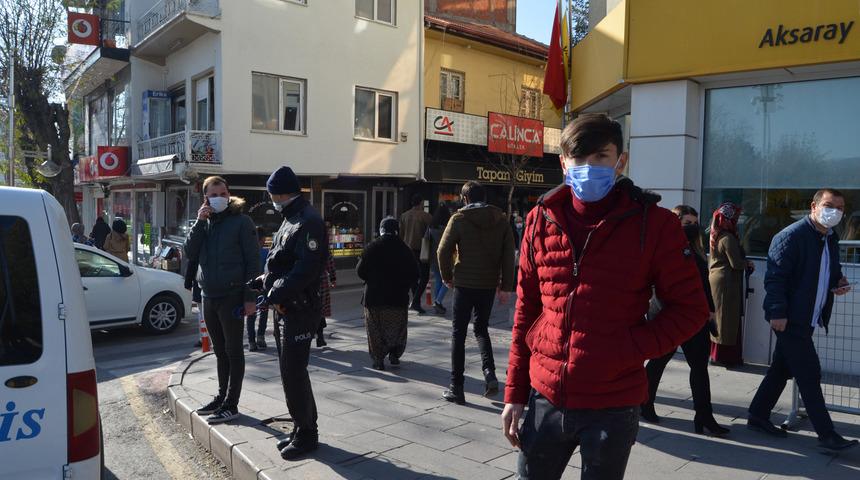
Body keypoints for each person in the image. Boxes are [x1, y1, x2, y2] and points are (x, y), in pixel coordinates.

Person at [501, 114, 708, 480]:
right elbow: (526, 310)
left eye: (600, 156)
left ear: (620, 161)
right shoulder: (539, 219)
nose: (588, 167)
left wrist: (629, 348)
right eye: (578, 159)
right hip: (545, 394)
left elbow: (691, 310)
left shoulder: (655, 224)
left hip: (613, 403)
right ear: (563, 162)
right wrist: (514, 392)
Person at [748, 189, 858, 451]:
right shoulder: (790, 236)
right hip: (791, 318)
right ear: (814, 206)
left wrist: (838, 283)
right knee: (809, 372)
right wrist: (777, 312)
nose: (836, 212)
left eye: (840, 208)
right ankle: (827, 435)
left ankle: (757, 414)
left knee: (782, 368)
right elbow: (775, 278)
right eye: (829, 205)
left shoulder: (829, 237)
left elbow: (830, 271)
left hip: (808, 316)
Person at [249, 166, 327, 460]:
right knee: (290, 372)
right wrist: (264, 281)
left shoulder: (308, 221)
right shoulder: (291, 218)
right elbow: (282, 262)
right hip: (286, 307)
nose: (271, 200)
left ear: (279, 193)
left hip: (299, 308)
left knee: (293, 372)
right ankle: (302, 427)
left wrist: (274, 292)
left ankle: (308, 435)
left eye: (271, 195)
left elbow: (305, 270)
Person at [641, 205, 729, 436]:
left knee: (699, 367)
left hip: (694, 318)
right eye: (686, 223)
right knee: (659, 361)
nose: (692, 227)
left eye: (694, 223)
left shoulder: (696, 251)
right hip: (668, 316)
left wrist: (709, 310)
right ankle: (644, 404)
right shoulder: (664, 248)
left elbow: (703, 285)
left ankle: (704, 416)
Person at [184, 176, 260, 425]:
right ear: (205, 198)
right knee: (219, 351)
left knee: (234, 350)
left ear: (229, 195)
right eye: (214, 194)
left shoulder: (241, 222)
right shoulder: (203, 223)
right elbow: (189, 251)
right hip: (208, 294)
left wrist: (250, 298)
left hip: (232, 295)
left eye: (223, 193)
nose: (220, 198)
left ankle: (232, 403)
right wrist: (199, 222)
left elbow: (253, 262)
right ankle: (221, 396)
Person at [438, 181, 515, 404]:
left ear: (465, 198)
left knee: (458, 333)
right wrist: (506, 286)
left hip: (463, 283)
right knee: (481, 329)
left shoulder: (459, 219)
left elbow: (443, 250)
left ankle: (457, 387)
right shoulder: (501, 220)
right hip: (488, 284)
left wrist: (447, 276)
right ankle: (489, 373)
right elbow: (509, 255)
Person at [356, 217, 419, 370]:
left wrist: (372, 280)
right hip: (398, 297)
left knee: (375, 329)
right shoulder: (405, 249)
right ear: (397, 230)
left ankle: (378, 359)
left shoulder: (371, 247)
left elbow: (360, 271)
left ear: (381, 230)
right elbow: (415, 273)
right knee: (397, 328)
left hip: (374, 297)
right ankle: (394, 354)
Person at [708, 202, 753, 368]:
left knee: (721, 318)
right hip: (726, 282)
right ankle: (723, 357)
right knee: (727, 320)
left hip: (719, 281)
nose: (737, 220)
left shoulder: (717, 234)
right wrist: (747, 263)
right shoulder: (727, 237)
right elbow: (735, 263)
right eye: (734, 217)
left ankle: (716, 355)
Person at [399, 194, 432, 313]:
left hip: (407, 249)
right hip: (422, 249)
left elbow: (401, 235)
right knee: (424, 276)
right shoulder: (426, 216)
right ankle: (416, 300)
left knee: (412, 275)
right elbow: (430, 235)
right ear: (421, 203)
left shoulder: (404, 216)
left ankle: (416, 301)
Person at [424, 205, 451, 315]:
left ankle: (438, 302)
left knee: (439, 279)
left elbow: (425, 240)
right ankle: (438, 301)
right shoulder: (448, 228)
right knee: (448, 280)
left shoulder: (431, 228)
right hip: (446, 258)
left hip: (433, 257)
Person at [247, 227, 269, 352]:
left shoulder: (247, 253)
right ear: (262, 239)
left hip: (250, 288)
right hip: (263, 288)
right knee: (264, 313)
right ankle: (261, 337)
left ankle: (251, 342)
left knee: (251, 315)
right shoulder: (266, 253)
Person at [316, 252, 337, 348]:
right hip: (321, 281)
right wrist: (333, 278)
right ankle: (320, 337)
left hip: (305, 280)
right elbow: (330, 263)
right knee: (320, 308)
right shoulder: (323, 246)